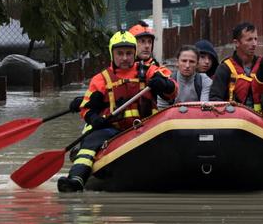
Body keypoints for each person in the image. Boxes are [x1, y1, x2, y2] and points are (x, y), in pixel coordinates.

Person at [58, 30, 176, 192]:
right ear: (112, 53)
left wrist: (164, 84)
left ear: (134, 53)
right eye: (120, 53)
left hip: (145, 126)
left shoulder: (149, 71)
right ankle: (76, 179)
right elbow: (86, 109)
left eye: (129, 53)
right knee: (91, 142)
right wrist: (93, 119)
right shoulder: (101, 79)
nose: (125, 58)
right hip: (112, 128)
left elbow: (172, 90)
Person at [208, 21, 263, 111]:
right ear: (236, 43)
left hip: (262, 119)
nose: (254, 44)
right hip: (235, 120)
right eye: (249, 40)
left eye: (255, 39)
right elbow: (215, 99)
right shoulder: (225, 68)